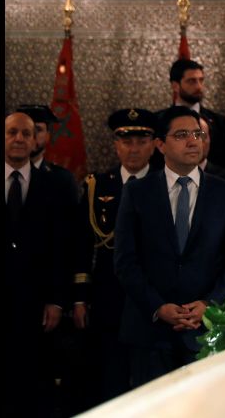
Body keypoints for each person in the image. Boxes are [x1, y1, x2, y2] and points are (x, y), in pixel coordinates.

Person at [114, 106, 225, 387]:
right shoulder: (137, 192)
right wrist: (158, 307)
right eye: (181, 135)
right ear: (160, 144)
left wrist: (210, 304)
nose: (193, 141)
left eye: (198, 134)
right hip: (149, 331)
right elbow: (125, 261)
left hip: (206, 329)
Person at [72, 108, 156, 405]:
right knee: (110, 373)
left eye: (141, 141)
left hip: (152, 293)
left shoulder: (163, 183)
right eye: (126, 141)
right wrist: (80, 297)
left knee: (150, 375)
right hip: (108, 293)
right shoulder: (97, 184)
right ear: (115, 145)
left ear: (154, 144)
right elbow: (83, 243)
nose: (133, 149)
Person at [4, 112, 74, 416]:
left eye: (26, 133)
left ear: (36, 140)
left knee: (35, 387)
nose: (18, 139)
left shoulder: (56, 183)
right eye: (11, 132)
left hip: (38, 306)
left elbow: (64, 247)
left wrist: (58, 301)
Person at [152, 59, 225, 170]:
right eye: (192, 81)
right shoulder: (157, 120)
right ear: (175, 86)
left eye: (201, 80)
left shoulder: (220, 122)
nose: (199, 86)